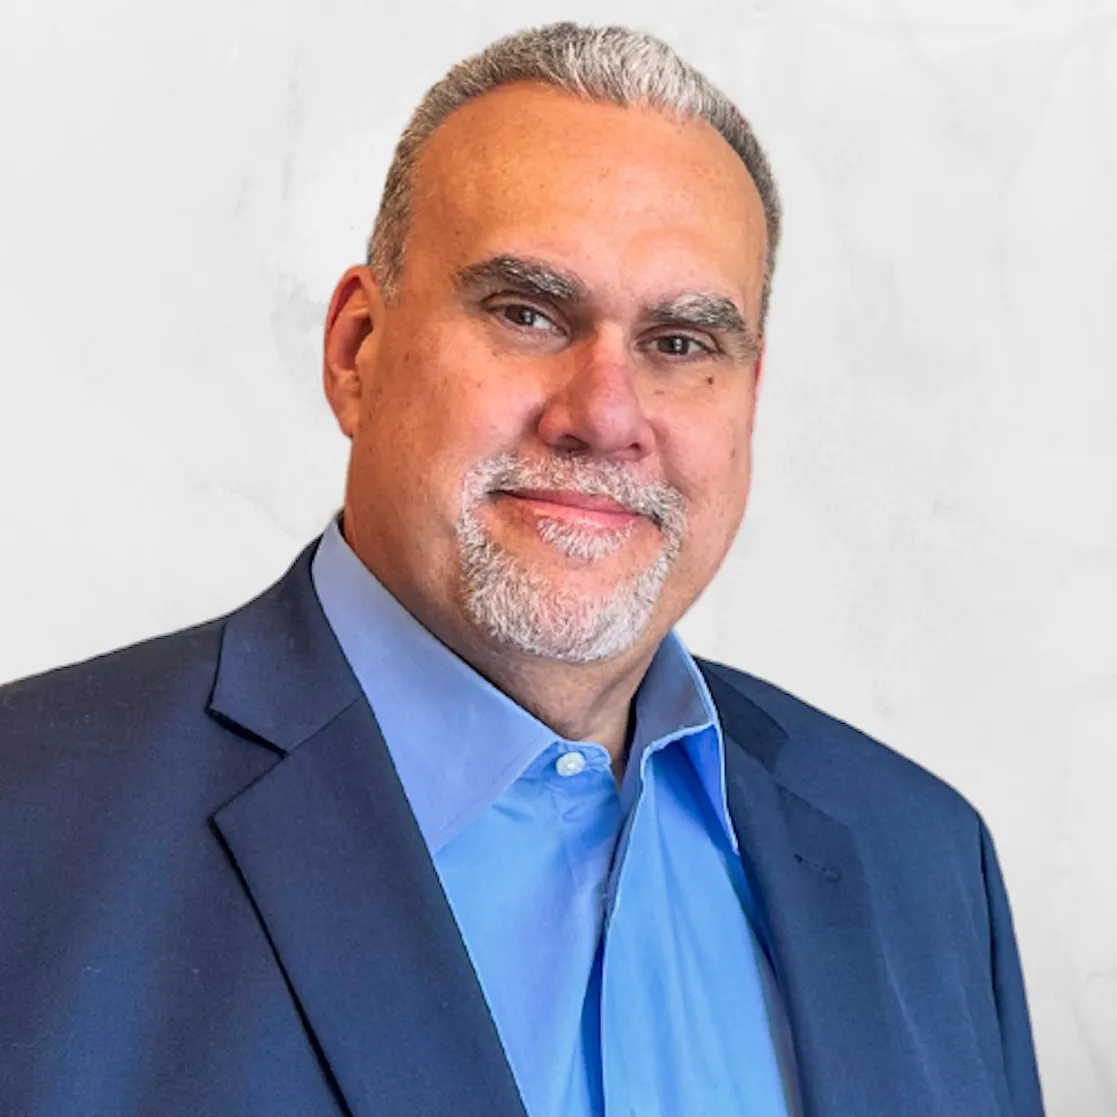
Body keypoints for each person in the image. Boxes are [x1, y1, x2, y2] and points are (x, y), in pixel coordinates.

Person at [0, 22, 1044, 1117]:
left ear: (749, 395)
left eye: (680, 343)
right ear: (357, 350)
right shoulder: (31, 830)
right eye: (526, 312)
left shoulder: (924, 863)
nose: (604, 415)